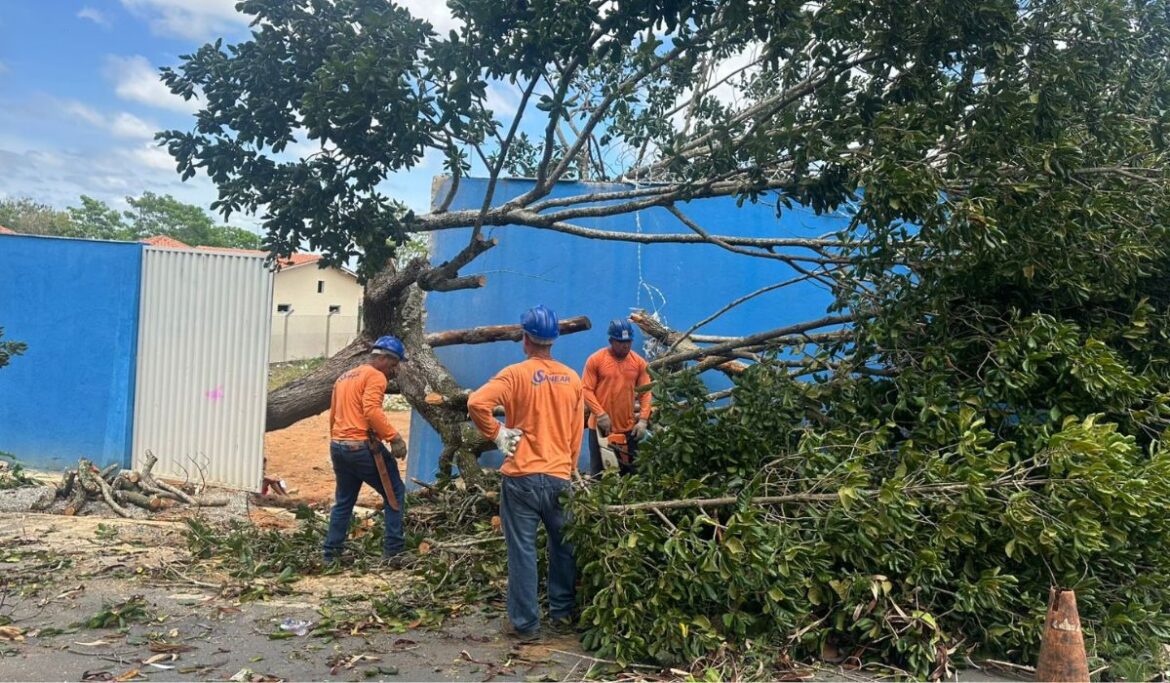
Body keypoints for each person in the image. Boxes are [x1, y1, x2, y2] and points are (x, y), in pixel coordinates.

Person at [468, 305, 584, 641]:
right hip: (560, 476)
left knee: (523, 551)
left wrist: (497, 433)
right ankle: (561, 613)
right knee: (564, 547)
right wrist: (569, 466)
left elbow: (476, 403)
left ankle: (525, 624)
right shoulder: (572, 378)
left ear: (525, 338)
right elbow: (577, 432)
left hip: (521, 478)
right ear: (554, 340)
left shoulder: (515, 374)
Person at [323, 335, 409, 565]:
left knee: (344, 501)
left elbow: (334, 414)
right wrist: (394, 438)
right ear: (383, 358)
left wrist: (338, 440)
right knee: (395, 494)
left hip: (339, 446)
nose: (394, 369)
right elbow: (371, 411)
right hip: (361, 447)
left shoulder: (344, 377)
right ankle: (394, 553)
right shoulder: (375, 376)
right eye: (394, 363)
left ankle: (331, 555)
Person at [582, 319, 652, 476]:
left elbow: (646, 392)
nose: (625, 345)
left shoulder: (639, 363)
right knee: (600, 476)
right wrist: (600, 414)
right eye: (621, 342)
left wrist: (643, 420)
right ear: (611, 341)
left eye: (628, 341)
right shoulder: (596, 360)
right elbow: (586, 389)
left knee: (632, 476)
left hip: (628, 429)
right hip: (600, 430)